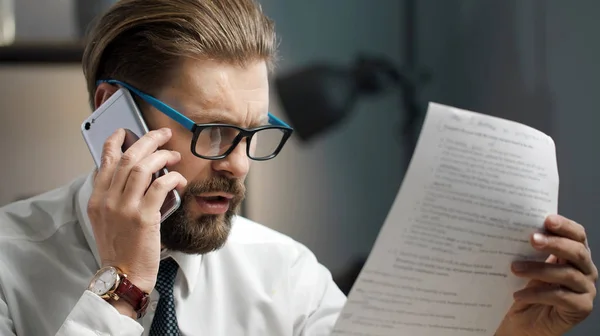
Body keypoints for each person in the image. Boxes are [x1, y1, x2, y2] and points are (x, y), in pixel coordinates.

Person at [0, 0, 596, 335]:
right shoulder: (7, 263)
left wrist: (521, 333)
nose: (238, 166)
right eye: (214, 132)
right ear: (115, 116)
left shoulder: (285, 275)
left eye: (254, 134)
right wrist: (123, 283)